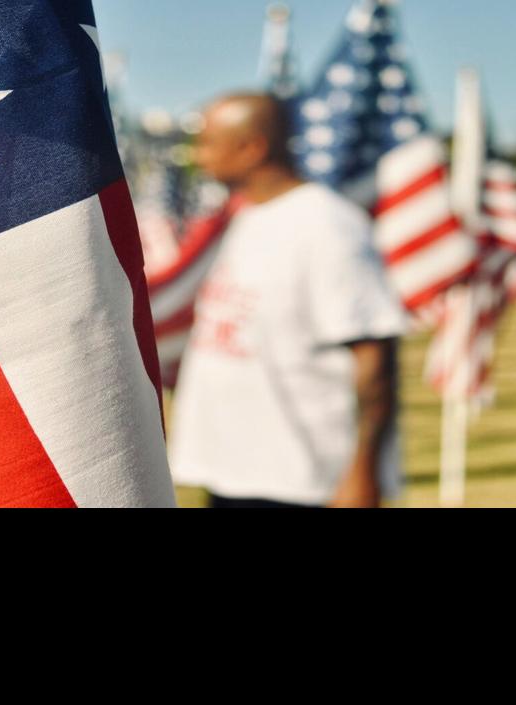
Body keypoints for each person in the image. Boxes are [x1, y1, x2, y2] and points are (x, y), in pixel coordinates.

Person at [168, 92, 406, 509]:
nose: (197, 155)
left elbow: (374, 357)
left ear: (251, 148)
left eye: (207, 142)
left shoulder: (326, 224)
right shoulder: (244, 217)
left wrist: (363, 470)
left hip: (303, 482)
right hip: (236, 472)